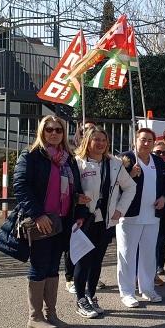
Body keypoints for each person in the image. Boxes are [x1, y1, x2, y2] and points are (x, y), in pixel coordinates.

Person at [13, 115, 88, 328]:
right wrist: (38, 215)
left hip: (63, 221)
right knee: (40, 266)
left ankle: (51, 314)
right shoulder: (31, 155)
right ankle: (34, 317)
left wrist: (80, 209)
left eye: (58, 130)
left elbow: (76, 190)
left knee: (54, 267)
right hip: (42, 221)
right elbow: (21, 187)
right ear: (41, 132)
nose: (54, 133)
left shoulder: (69, 159)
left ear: (63, 134)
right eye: (49, 130)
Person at [74, 127, 136, 318]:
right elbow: (68, 188)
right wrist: (76, 198)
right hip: (84, 219)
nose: (100, 143)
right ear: (87, 142)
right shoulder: (77, 162)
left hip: (105, 221)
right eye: (96, 140)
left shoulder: (115, 164)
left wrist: (119, 210)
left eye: (103, 140)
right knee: (83, 260)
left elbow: (130, 187)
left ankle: (92, 295)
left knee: (97, 260)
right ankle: (80, 299)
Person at [118, 128, 165, 307]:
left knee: (148, 255)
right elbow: (114, 185)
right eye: (143, 139)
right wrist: (130, 176)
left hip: (152, 216)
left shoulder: (159, 162)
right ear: (135, 140)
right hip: (130, 215)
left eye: (149, 140)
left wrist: (163, 198)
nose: (146, 143)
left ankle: (147, 289)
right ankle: (127, 292)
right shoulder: (125, 160)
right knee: (127, 254)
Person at [65, 120, 97, 294]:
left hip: (93, 210)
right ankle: (70, 278)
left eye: (91, 130)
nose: (88, 133)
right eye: (84, 130)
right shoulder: (72, 154)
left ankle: (88, 276)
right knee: (74, 245)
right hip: (75, 207)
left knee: (90, 246)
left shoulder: (98, 155)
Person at [152, 141, 165, 285]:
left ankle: (155, 271)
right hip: (144, 211)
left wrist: (164, 196)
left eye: (164, 153)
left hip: (163, 212)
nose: (161, 155)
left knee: (159, 242)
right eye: (158, 152)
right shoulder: (141, 165)